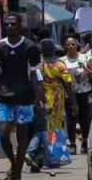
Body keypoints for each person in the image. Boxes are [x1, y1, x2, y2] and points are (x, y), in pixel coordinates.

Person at [0, 14, 42, 180]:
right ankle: (14, 163)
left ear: (20, 26)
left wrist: (38, 100)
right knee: (4, 134)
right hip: (4, 97)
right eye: (7, 24)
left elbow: (34, 75)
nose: (9, 26)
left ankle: (17, 174)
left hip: (25, 97)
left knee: (22, 136)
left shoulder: (30, 47)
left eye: (13, 24)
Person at [29, 39, 74, 171]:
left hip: (41, 100)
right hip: (56, 101)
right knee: (52, 129)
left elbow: (35, 83)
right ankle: (50, 156)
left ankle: (44, 157)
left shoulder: (38, 65)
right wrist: (74, 102)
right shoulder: (59, 65)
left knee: (46, 128)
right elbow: (68, 85)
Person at [62, 36, 90, 152]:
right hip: (69, 93)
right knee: (70, 119)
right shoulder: (62, 61)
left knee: (84, 118)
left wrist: (85, 70)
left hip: (84, 91)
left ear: (76, 45)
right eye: (68, 45)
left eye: (73, 44)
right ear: (65, 47)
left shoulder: (84, 57)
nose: (71, 46)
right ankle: (72, 144)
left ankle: (85, 142)